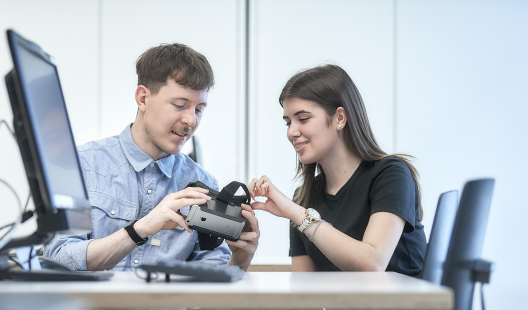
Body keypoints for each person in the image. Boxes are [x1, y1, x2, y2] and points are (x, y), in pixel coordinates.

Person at [45, 43, 259, 271]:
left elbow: (211, 290)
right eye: (180, 105)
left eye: (198, 109)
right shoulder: (83, 165)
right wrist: (139, 230)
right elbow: (59, 257)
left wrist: (239, 260)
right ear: (143, 98)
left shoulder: (204, 185)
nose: (191, 121)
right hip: (91, 308)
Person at [249, 64, 426, 275]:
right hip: (342, 308)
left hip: (400, 307)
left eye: (303, 119)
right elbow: (304, 294)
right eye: (288, 122)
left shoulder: (391, 174)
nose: (292, 132)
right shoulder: (304, 197)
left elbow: (372, 264)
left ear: (340, 118)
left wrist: (296, 214)